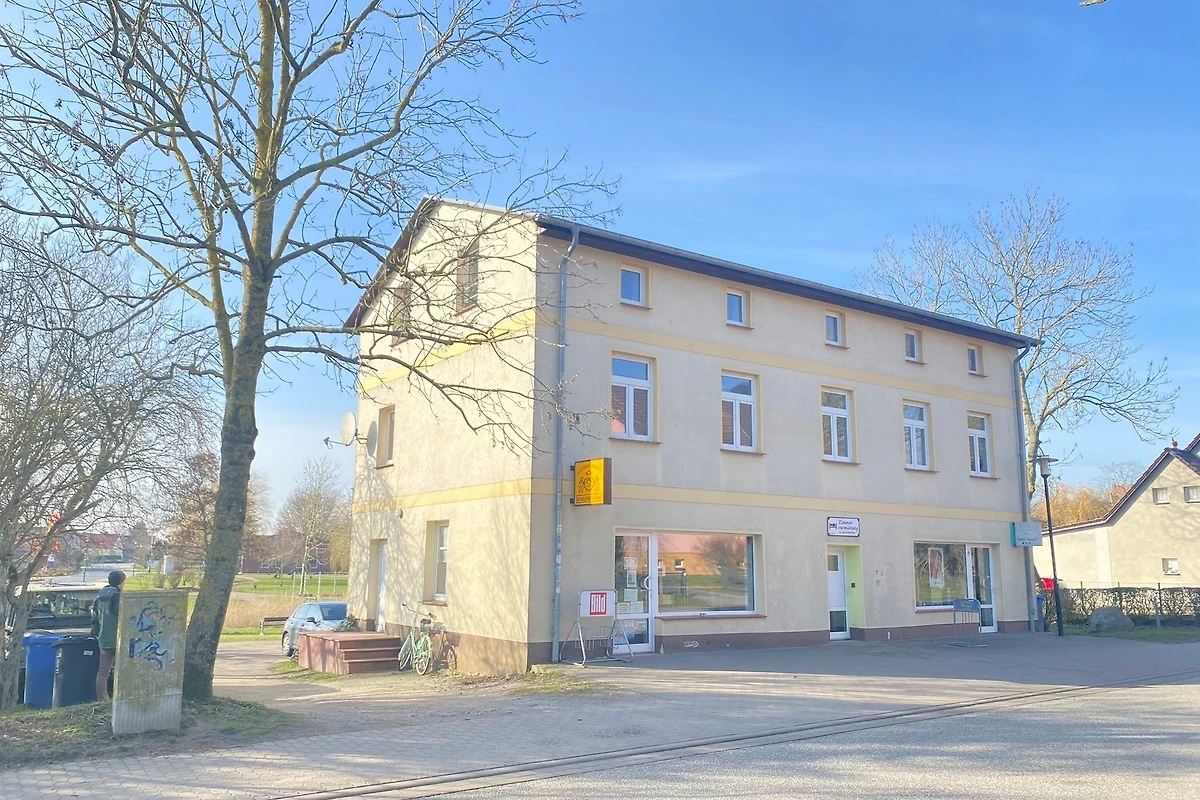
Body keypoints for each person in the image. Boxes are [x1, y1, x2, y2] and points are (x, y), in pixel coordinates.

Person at [90, 570, 125, 702]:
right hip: (119, 639)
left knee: (103, 672)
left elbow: (94, 619)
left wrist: (98, 633)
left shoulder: (98, 598)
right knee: (122, 671)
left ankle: (103, 699)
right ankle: (120, 697)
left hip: (104, 640)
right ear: (121, 583)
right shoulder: (118, 597)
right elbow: (123, 616)